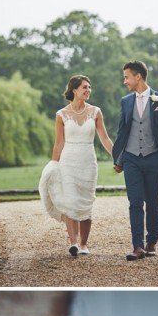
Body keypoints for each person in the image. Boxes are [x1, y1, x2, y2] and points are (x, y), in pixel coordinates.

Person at [38, 77, 114, 256]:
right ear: (74, 90)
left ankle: (84, 244)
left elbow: (104, 138)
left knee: (86, 203)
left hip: (88, 162)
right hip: (68, 162)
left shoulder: (96, 112)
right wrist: (53, 165)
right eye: (84, 87)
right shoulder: (61, 114)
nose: (88, 90)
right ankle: (73, 243)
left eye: (89, 87)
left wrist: (117, 157)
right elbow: (58, 143)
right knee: (70, 201)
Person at [112, 61, 158, 261]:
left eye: (126, 77)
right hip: (131, 158)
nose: (125, 81)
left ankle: (151, 242)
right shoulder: (126, 101)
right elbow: (123, 130)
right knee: (135, 202)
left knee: (153, 202)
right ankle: (137, 246)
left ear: (138, 76)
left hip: (154, 158)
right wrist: (119, 158)